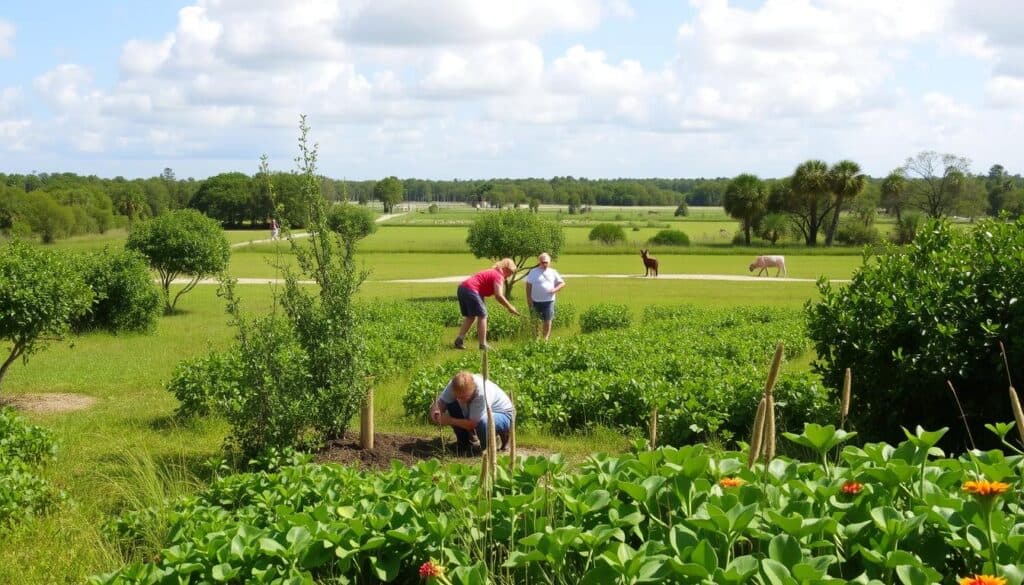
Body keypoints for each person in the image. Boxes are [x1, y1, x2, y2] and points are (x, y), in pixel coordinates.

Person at [430, 370, 514, 452]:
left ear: (473, 389)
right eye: (458, 396)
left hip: (502, 413)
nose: (460, 400)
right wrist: (436, 412)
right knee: (451, 403)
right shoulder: (454, 385)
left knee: (483, 422)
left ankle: (488, 448)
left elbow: (473, 424)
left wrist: (449, 420)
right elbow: (441, 402)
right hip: (476, 412)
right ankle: (464, 444)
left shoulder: (481, 393)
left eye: (464, 397)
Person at [454, 258, 521, 350]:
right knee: (483, 315)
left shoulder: (494, 272)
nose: (510, 275)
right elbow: (499, 295)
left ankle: (459, 339)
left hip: (463, 288)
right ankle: (483, 344)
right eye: (511, 272)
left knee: (471, 316)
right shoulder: (498, 275)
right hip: (471, 289)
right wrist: (510, 307)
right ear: (506, 269)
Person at [525, 252, 566, 341]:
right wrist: (529, 299)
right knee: (535, 320)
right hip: (535, 301)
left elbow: (562, 283)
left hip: (549, 301)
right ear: (539, 262)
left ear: (549, 262)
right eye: (543, 262)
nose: (544, 264)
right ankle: (536, 338)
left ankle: (545, 338)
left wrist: (555, 289)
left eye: (546, 262)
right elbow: (528, 286)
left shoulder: (553, 272)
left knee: (547, 319)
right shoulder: (533, 272)